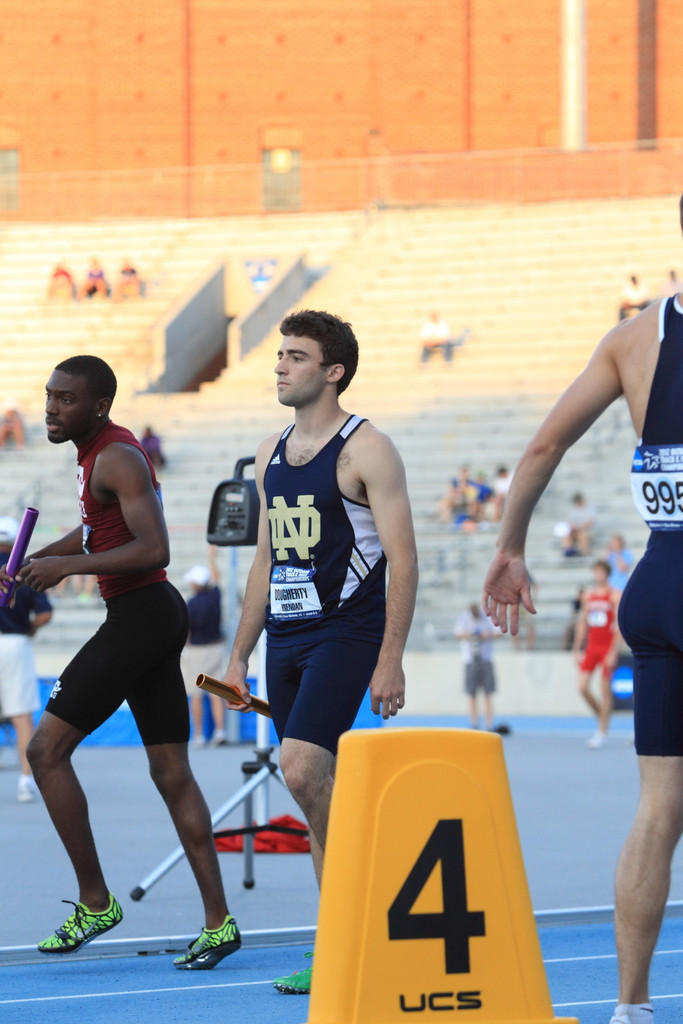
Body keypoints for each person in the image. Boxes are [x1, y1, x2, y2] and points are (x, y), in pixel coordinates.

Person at [482, 194, 683, 1024]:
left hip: (658, 581)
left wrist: (509, 548)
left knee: (658, 809)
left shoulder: (634, 338)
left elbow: (543, 444)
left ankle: (629, 1006)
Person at [0, 354, 240, 970]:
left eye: (66, 399)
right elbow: (94, 532)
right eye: (48, 395)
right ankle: (219, 924)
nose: (51, 408)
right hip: (150, 615)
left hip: (141, 615)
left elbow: (155, 547)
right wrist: (31, 564)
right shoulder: (95, 455)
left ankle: (95, 902)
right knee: (172, 774)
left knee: (44, 752)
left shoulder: (116, 457)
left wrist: (67, 568)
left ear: (99, 405)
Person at [220, 309, 418, 994]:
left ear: (333, 372)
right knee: (312, 788)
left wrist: (390, 658)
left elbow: (402, 559)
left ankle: (366, 913)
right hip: (285, 636)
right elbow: (264, 562)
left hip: (346, 631)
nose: (280, 366)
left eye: (296, 356)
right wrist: (239, 656)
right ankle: (340, 944)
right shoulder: (270, 451)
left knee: (300, 768)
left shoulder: (368, 449)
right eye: (279, 355)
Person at [0, 516, 53, 802]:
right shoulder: (21, 571)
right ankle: (25, 781)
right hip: (14, 643)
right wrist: (30, 630)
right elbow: (45, 614)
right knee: (21, 716)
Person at [573, 559, 621, 748]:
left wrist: (614, 651)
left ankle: (601, 730)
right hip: (592, 647)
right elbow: (583, 623)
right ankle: (602, 717)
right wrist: (577, 648)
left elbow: (618, 625)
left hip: (607, 647)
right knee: (582, 687)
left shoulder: (614, 595)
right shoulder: (588, 596)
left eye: (601, 572)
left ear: (607, 574)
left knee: (605, 689)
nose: (598, 575)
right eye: (596, 572)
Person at [181, 551, 227, 747]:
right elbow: (217, 577)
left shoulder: (191, 604)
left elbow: (187, 630)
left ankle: (199, 735)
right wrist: (211, 558)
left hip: (197, 651)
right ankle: (220, 731)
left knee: (196, 695)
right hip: (216, 648)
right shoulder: (215, 596)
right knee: (216, 693)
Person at [454, 602, 500, 729]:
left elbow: (498, 633)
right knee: (472, 694)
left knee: (488, 693)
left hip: (485, 659)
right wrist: (471, 634)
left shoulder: (486, 617)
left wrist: (485, 635)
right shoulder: (464, 618)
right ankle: (474, 723)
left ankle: (489, 723)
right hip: (470, 660)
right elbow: (458, 634)